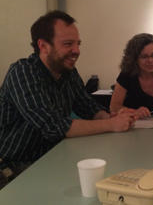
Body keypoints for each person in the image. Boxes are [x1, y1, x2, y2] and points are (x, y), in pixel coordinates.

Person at [0, 10, 136, 189]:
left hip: (56, 156)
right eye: (68, 44)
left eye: (78, 44)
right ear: (43, 46)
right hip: (16, 167)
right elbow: (53, 126)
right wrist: (112, 125)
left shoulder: (68, 72)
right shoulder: (22, 72)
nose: (77, 51)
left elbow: (89, 107)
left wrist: (113, 117)